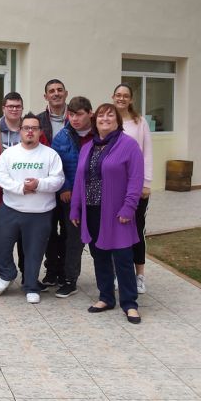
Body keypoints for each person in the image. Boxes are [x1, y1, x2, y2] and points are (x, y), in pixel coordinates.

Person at [70, 103, 144, 324]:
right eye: (101, 115)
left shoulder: (129, 145)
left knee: (122, 257)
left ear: (117, 121)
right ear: (95, 121)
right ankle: (106, 297)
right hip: (92, 210)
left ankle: (130, 304)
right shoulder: (88, 147)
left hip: (117, 212)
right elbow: (79, 181)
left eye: (110, 115)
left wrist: (129, 207)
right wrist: (75, 207)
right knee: (98, 255)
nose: (105, 118)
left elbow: (136, 179)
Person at [0, 113, 64, 304]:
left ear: (40, 132)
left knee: (34, 251)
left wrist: (38, 184)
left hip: (40, 212)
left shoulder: (50, 154)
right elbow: (0, 177)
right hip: (11, 208)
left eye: (34, 128)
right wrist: (22, 188)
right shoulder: (9, 154)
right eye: (26, 128)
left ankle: (31, 285)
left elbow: (58, 180)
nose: (30, 131)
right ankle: (7, 274)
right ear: (20, 131)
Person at [51, 97, 94, 298]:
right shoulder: (62, 136)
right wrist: (64, 188)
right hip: (70, 197)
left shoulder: (100, 134)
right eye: (71, 114)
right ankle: (69, 279)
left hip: (96, 195)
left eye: (79, 114)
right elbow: (56, 165)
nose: (74, 119)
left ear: (90, 114)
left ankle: (109, 275)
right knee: (72, 238)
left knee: (98, 237)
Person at [113, 83, 152, 294]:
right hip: (113, 188)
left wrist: (146, 183)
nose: (121, 98)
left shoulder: (140, 122)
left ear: (131, 99)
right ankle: (119, 273)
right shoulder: (108, 120)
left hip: (135, 187)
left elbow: (148, 153)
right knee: (115, 231)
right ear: (113, 97)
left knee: (136, 230)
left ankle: (139, 276)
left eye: (125, 95)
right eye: (118, 95)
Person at [0, 92, 26, 281]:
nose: (14, 109)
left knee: (25, 238)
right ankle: (3, 272)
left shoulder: (29, 130)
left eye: (17, 106)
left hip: (27, 195)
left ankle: (28, 274)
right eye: (10, 106)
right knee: (2, 238)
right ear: (3, 108)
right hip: (0, 195)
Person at [37, 79, 69, 286]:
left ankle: (66, 270)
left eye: (59, 90)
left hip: (70, 187)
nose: (56, 94)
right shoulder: (38, 121)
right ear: (45, 96)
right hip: (46, 186)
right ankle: (51, 270)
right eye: (51, 91)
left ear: (66, 93)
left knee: (68, 230)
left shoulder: (76, 118)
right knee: (48, 230)